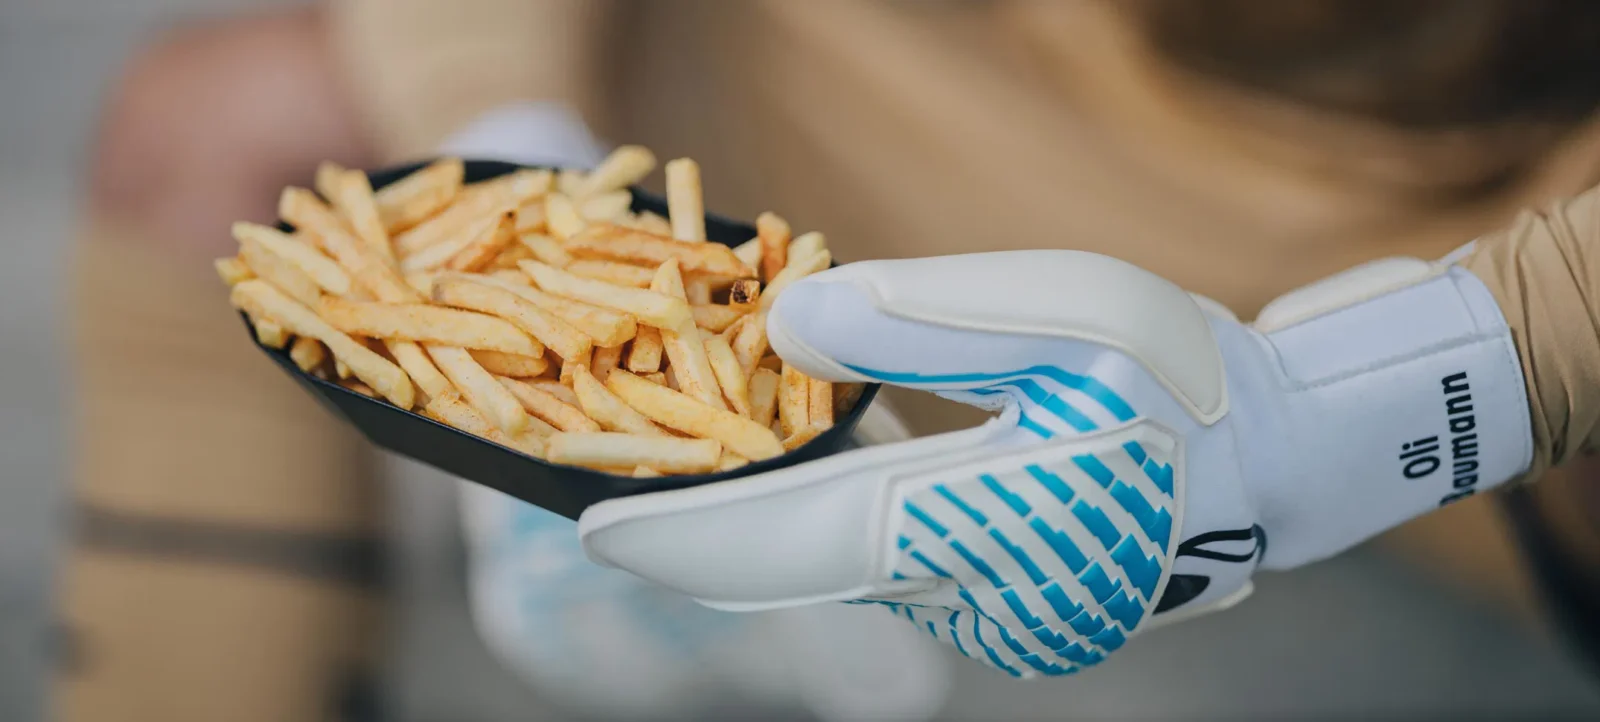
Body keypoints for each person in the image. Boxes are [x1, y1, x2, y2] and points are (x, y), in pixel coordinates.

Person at [64, 0, 1600, 718]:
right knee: (229, 147)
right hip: (953, 79)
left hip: (1494, 215)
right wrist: (501, 143)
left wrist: (1408, 393)